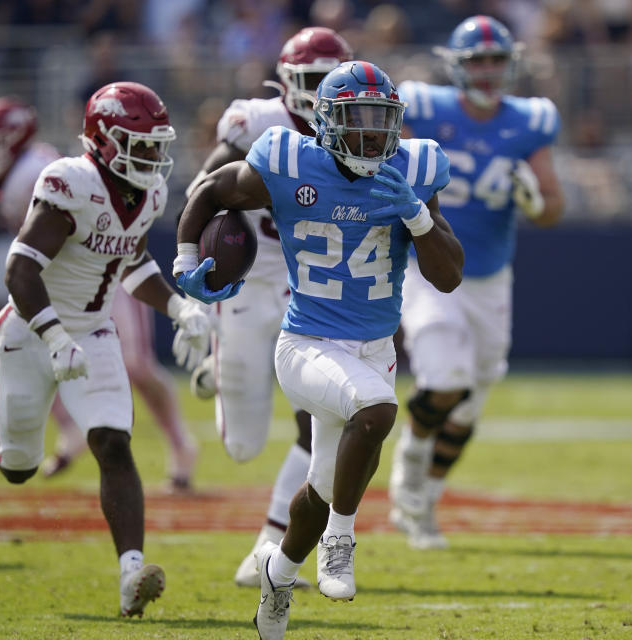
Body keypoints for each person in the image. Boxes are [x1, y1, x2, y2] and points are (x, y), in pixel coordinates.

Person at [174, 60, 463, 640]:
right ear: (325, 122)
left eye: (381, 120)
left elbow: (450, 275)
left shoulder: (412, 168)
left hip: (374, 348)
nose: (371, 134)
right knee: (378, 409)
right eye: (357, 119)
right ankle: (341, 541)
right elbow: (210, 189)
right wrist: (186, 263)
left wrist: (416, 215)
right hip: (306, 342)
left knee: (323, 485)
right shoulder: (288, 158)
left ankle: (277, 576)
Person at [0, 81, 212, 617]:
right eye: (140, 144)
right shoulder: (68, 182)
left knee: (112, 442)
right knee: (18, 467)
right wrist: (54, 337)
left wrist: (179, 308)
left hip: (95, 330)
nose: (152, 156)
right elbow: (20, 269)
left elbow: (134, 262)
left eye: (156, 145)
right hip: (31, 330)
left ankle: (130, 575)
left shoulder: (147, 192)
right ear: (103, 140)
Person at [177, 26, 353, 588]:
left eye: (331, 79)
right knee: (243, 447)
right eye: (311, 80)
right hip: (250, 286)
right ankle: (219, 365)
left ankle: (268, 546)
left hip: (314, 292)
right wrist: (195, 265)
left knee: (325, 417)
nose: (322, 91)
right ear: (284, 83)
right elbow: (204, 190)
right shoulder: (258, 123)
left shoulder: (357, 125)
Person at [386, 14, 564, 550]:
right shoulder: (424, 107)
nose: (487, 71)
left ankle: (426, 502)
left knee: (467, 407)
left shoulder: (530, 120)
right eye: (476, 61)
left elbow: (554, 206)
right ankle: (408, 477)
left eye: (496, 61)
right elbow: (392, 171)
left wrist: (536, 201)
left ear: (511, 65)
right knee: (444, 381)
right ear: (457, 67)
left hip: (490, 278)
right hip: (430, 270)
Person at [0, 96, 200, 490]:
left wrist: (179, 307)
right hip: (62, 283)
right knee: (54, 353)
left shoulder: (36, 170)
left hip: (107, 278)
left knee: (136, 364)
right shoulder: (11, 176)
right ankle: (56, 427)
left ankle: (180, 445)